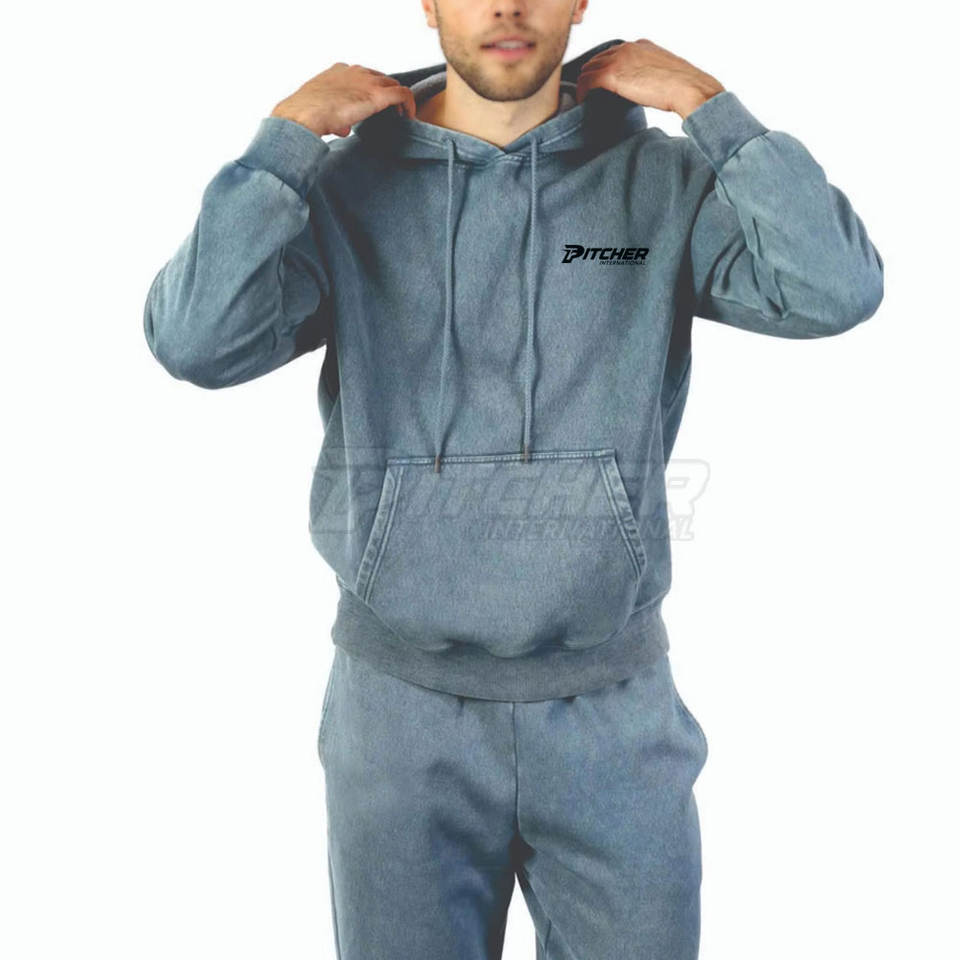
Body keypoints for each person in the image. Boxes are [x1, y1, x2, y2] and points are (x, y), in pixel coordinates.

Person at [143, 1, 883, 956]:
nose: (505, 5)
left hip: (614, 716)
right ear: (428, 2)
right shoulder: (342, 188)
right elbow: (195, 342)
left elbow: (835, 289)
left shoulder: (659, 184)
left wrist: (711, 106)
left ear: (580, 2)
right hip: (399, 721)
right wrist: (282, 143)